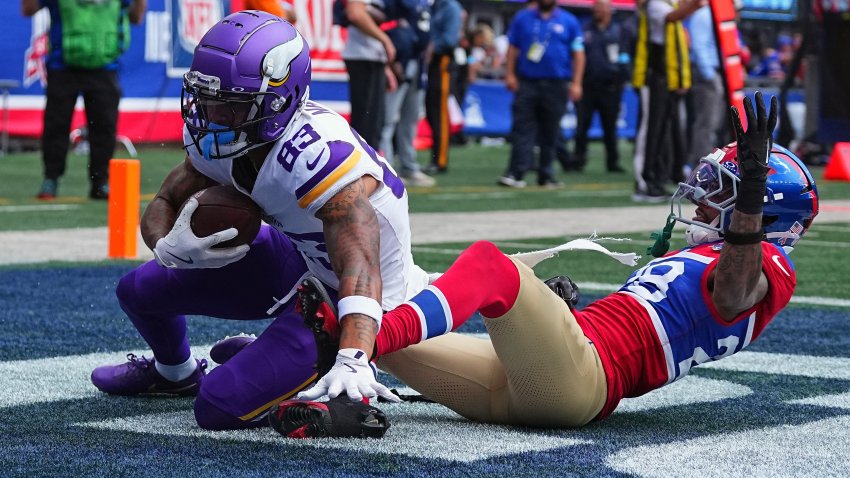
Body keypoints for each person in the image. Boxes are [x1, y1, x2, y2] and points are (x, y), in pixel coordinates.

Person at [297, 93, 819, 428]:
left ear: (764, 209)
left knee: (488, 266)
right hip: (539, 382)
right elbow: (640, 325)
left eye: (721, 192)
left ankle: (357, 357)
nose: (704, 202)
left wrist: (746, 207)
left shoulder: (767, 264)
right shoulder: (719, 253)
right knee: (368, 317)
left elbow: (732, 295)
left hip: (580, 381)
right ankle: (292, 387)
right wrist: (563, 312)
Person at [88, 11, 437, 430]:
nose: (211, 113)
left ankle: (306, 363)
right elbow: (165, 199)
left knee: (217, 408)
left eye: (229, 103)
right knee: (138, 289)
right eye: (205, 97)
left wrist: (354, 357)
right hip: (299, 259)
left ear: (278, 101)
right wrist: (166, 245)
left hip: (346, 303)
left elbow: (361, 267)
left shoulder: (315, 156)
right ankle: (175, 374)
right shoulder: (222, 134)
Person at [22, 0, 146, 200]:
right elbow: (28, 10)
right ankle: (51, 178)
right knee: (56, 124)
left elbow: (136, 17)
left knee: (104, 127)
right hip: (62, 64)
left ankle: (100, 182)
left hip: (104, 66)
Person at [498, 0, 585, 189]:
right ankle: (516, 172)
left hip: (557, 83)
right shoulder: (523, 17)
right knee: (522, 127)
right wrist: (510, 74)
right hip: (528, 82)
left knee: (551, 130)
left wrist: (577, 82)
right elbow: (513, 47)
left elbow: (578, 53)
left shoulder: (569, 21)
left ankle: (546, 174)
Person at [631, 0, 704, 202]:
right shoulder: (655, 3)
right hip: (653, 77)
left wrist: (681, 79)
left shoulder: (670, 3)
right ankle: (643, 182)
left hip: (668, 79)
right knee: (650, 132)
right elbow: (673, 17)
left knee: (666, 133)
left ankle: (660, 177)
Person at [379, 0, 436, 187]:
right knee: (388, 117)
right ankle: (386, 167)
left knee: (410, 119)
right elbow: (386, 21)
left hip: (418, 63)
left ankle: (408, 165)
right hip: (400, 60)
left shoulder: (425, 3)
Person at [570, 0, 631, 173]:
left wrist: (621, 76)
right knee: (582, 125)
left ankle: (612, 161)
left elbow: (625, 55)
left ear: (609, 10)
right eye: (595, 7)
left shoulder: (619, 30)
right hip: (587, 85)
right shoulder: (585, 29)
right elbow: (576, 54)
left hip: (610, 87)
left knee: (610, 127)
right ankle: (578, 159)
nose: (596, 10)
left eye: (600, 7)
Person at [342, 0, 398, 149]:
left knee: (376, 122)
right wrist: (385, 40)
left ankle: (372, 166)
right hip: (362, 57)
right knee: (366, 125)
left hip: (373, 57)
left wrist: (386, 68)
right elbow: (355, 13)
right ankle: (361, 168)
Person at [423, 0, 463, 174]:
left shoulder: (451, 7)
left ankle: (440, 160)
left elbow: (449, 40)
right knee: (432, 112)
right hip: (432, 63)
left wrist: (431, 48)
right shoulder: (436, 6)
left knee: (439, 113)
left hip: (443, 62)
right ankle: (436, 157)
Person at [685, 5, 725, 171]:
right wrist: (709, 75)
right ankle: (700, 164)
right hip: (707, 73)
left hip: (718, 72)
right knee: (706, 121)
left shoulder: (715, 14)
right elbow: (699, 46)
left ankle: (708, 161)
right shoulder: (703, 15)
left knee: (715, 122)